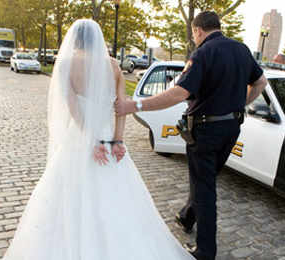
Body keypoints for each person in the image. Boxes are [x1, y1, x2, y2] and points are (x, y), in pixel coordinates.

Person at [1, 19, 198, 260]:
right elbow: (122, 108)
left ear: (75, 39)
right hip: (108, 139)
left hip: (80, 140)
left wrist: (91, 141)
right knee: (118, 199)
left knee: (67, 197)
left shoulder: (65, 65)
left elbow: (74, 110)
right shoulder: (114, 65)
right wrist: (117, 140)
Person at [115, 11, 268, 260]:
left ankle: (206, 251)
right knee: (204, 178)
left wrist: (137, 105)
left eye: (194, 35)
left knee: (205, 188)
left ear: (198, 30)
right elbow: (260, 82)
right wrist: (239, 105)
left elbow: (179, 93)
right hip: (232, 127)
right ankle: (187, 216)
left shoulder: (203, 53)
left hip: (206, 130)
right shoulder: (242, 49)